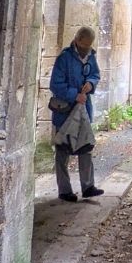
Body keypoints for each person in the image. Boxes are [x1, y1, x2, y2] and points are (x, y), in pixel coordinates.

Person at [50, 25, 104, 202]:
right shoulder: (64, 58)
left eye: (89, 46)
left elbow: (95, 74)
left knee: (86, 146)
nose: (85, 49)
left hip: (83, 111)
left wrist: (90, 83)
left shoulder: (91, 56)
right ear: (77, 40)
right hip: (65, 112)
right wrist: (75, 95)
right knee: (63, 150)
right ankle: (64, 190)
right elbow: (55, 85)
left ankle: (88, 186)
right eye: (84, 45)